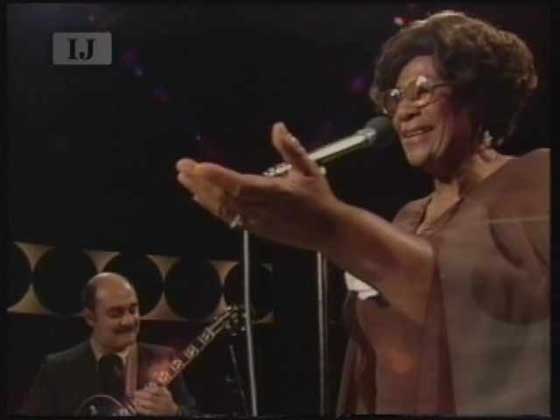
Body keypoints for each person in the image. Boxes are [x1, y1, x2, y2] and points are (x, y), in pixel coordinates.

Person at [175, 10, 549, 416]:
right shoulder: (408, 218)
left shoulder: (535, 178)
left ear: (477, 96)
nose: (404, 111)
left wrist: (333, 229)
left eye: (422, 91)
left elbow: (500, 306)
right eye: (396, 98)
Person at [20, 272, 198, 416]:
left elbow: (194, 413)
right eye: (116, 313)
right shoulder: (56, 369)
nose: (129, 321)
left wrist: (175, 412)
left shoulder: (165, 359)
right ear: (90, 318)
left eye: (133, 310)